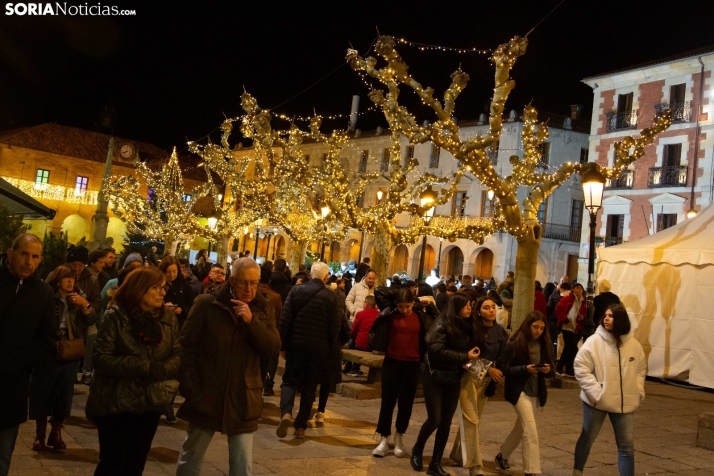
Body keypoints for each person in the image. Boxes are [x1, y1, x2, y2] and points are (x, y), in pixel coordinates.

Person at [176, 257, 280, 476]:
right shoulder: (208, 304)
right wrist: (190, 387)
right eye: (244, 283)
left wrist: (252, 323)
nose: (249, 289)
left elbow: (272, 348)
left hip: (243, 395)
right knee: (191, 456)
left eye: (254, 283)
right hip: (206, 393)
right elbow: (186, 346)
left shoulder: (263, 308)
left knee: (242, 465)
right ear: (232, 281)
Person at [86, 267, 181, 476]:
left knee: (136, 463)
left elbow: (177, 352)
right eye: (155, 288)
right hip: (116, 401)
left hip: (150, 402)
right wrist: (145, 366)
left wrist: (164, 370)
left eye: (163, 288)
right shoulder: (116, 317)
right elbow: (101, 359)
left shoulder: (167, 318)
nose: (162, 293)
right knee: (113, 464)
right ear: (139, 289)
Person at [0, 234, 56, 476]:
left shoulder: (42, 292)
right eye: (24, 254)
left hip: (12, 385)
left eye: (35, 257)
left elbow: (47, 339)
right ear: (11, 254)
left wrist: (22, 361)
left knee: (2, 454)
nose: (28, 262)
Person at [410, 293, 481, 476]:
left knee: (446, 422)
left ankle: (435, 463)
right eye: (466, 305)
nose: (469, 308)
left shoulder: (467, 325)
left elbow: (468, 348)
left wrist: (470, 359)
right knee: (435, 418)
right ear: (456, 307)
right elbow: (436, 351)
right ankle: (417, 449)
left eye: (470, 305)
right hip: (435, 375)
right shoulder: (441, 325)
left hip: (454, 376)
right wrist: (465, 357)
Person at [572, 304, 646, 476]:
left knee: (627, 446)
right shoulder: (594, 342)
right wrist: (597, 393)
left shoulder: (634, 345)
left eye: (611, 316)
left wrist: (638, 390)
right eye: (605, 315)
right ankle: (577, 471)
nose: (606, 319)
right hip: (597, 401)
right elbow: (581, 367)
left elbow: (641, 370)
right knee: (587, 438)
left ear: (620, 320)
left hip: (625, 403)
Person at [30, 264, 95, 451]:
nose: (70, 282)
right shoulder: (47, 297)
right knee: (43, 392)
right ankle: (39, 435)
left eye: (72, 279)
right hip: (49, 349)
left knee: (64, 393)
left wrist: (86, 306)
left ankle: (56, 433)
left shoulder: (78, 300)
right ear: (58, 280)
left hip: (70, 350)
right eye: (66, 278)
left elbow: (90, 321)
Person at [369, 287, 435, 459]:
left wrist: (421, 302)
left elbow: (438, 318)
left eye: (408, 306)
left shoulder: (420, 315)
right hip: (391, 362)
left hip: (412, 365)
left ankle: (399, 436)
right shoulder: (390, 313)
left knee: (406, 403)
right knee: (387, 402)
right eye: (401, 306)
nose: (404, 310)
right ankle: (384, 438)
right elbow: (380, 292)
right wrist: (404, 295)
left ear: (413, 304)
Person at [277, 262, 340, 439]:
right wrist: (329, 348)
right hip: (318, 348)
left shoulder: (296, 291)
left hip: (296, 345)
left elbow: (285, 318)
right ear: (326, 277)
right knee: (310, 386)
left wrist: (282, 345)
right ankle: (300, 426)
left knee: (289, 380)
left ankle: (286, 413)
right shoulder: (331, 296)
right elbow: (334, 326)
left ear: (310, 274)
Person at [449, 296, 509, 475]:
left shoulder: (500, 332)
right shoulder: (470, 329)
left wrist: (496, 373)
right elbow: (464, 359)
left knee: (474, 421)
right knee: (471, 420)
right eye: (486, 307)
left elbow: (502, 357)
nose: (491, 310)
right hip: (468, 378)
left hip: (486, 383)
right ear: (478, 311)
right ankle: (475, 466)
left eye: (493, 307)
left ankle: (458, 454)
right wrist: (488, 369)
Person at [495, 311, 555, 476]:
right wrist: (524, 369)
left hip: (536, 391)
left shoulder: (545, 344)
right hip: (519, 390)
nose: (538, 331)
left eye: (542, 328)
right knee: (530, 429)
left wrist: (548, 370)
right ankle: (532, 470)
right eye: (535, 327)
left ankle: (502, 455)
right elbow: (502, 367)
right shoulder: (515, 343)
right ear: (528, 326)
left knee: (521, 428)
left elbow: (552, 369)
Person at [66, 245, 102, 386]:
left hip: (85, 317)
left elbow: (97, 303)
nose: (77, 268)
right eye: (73, 264)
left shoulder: (91, 279)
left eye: (80, 265)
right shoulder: (61, 273)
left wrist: (85, 305)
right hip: (66, 317)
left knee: (92, 335)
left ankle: (86, 371)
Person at [258, 265, 282, 396]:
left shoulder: (249, 292)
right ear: (269, 281)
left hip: (253, 332)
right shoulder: (275, 297)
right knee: (271, 359)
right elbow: (279, 318)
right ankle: (267, 384)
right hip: (269, 334)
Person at [556, 282, 586, 377]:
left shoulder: (584, 301)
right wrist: (565, 320)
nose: (579, 290)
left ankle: (565, 368)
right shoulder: (567, 299)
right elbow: (558, 310)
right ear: (573, 289)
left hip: (577, 328)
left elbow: (585, 314)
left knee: (568, 348)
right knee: (572, 347)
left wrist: (583, 317)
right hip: (567, 327)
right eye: (577, 288)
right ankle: (565, 368)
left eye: (580, 288)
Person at [160, 256, 195, 329]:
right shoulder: (158, 284)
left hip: (179, 324)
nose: (172, 275)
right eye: (168, 272)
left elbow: (191, 305)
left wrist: (182, 310)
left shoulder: (185, 285)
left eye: (174, 271)